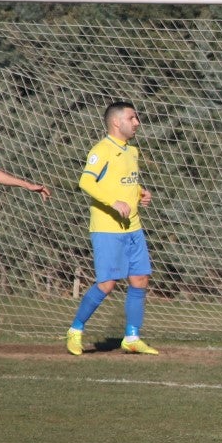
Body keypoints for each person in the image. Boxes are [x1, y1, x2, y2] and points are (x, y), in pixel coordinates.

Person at [66, 102, 158, 356]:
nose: (137, 122)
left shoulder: (132, 151)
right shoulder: (102, 150)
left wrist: (141, 193)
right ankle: (75, 330)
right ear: (117, 122)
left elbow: (124, 181)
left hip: (133, 227)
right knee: (107, 284)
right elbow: (86, 181)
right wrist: (113, 202)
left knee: (140, 279)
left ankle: (131, 337)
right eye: (132, 117)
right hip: (107, 228)